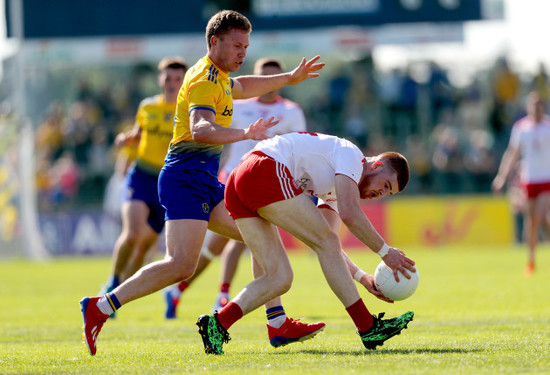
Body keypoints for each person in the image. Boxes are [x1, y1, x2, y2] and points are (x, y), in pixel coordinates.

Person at [79, 10, 325, 356]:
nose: (243, 52)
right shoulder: (205, 80)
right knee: (181, 265)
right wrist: (245, 133)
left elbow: (244, 86)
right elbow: (200, 129)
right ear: (215, 42)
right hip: (185, 180)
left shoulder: (221, 76)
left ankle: (277, 321)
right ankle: (101, 306)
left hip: (203, 181)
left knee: (257, 232)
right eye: (237, 45)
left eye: (246, 46)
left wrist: (288, 77)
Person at [196, 131, 417, 355]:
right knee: (325, 241)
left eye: (388, 193)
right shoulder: (352, 156)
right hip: (263, 168)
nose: (382, 193)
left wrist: (362, 277)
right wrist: (385, 252)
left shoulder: (340, 185)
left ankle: (218, 324)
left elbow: (326, 248)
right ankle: (367, 327)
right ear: (377, 165)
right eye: (387, 185)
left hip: (241, 179)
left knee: (279, 278)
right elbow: (349, 216)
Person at [163, 57, 307, 318]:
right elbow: (211, 129)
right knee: (245, 239)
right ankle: (238, 303)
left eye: (275, 77)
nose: (270, 84)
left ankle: (187, 292)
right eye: (266, 76)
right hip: (232, 177)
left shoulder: (291, 111)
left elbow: (296, 148)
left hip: (265, 182)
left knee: (237, 242)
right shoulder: (238, 102)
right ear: (259, 77)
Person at [99, 57, 187, 305]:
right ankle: (113, 280)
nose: (172, 83)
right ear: (160, 80)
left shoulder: (190, 110)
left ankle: (117, 296)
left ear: (184, 81)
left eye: (177, 79)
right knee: (132, 233)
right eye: (168, 78)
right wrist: (125, 140)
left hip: (168, 182)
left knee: (144, 247)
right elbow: (137, 136)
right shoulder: (147, 107)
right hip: (142, 175)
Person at [492, 91, 550, 276]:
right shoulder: (521, 128)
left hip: (546, 179)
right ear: (528, 107)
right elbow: (512, 153)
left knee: (540, 216)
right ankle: (531, 259)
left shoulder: (548, 126)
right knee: (532, 221)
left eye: (540, 104)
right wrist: (502, 177)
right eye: (534, 105)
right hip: (529, 180)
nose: (537, 108)